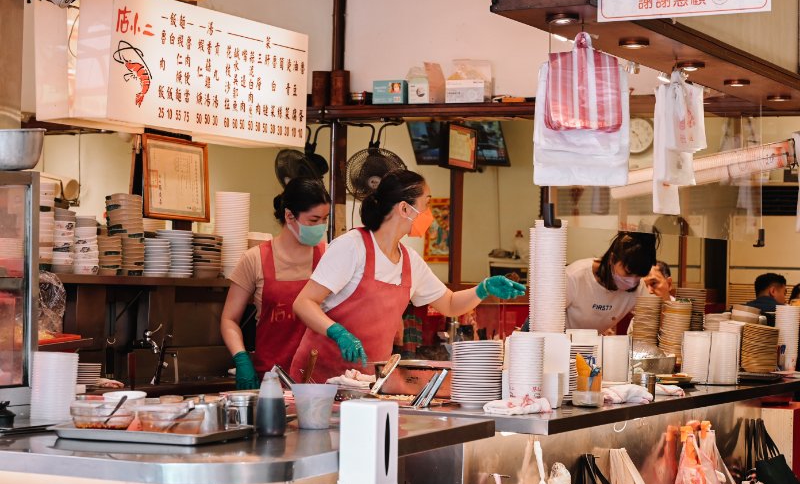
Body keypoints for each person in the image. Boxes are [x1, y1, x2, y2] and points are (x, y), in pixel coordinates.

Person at [290, 169, 525, 383]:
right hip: (317, 379)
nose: (430, 214)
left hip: (365, 382)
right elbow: (304, 302)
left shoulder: (410, 261)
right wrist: (337, 332)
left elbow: (450, 304)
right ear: (404, 208)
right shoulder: (351, 247)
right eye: (427, 204)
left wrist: (483, 289)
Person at [221, 178, 331, 389]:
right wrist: (241, 358)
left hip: (318, 381)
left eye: (325, 219)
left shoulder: (329, 257)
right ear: (290, 216)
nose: (321, 227)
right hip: (271, 379)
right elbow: (229, 319)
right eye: (313, 220)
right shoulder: (254, 259)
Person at [564, 231, 658, 333]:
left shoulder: (639, 287)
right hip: (562, 342)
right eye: (628, 273)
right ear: (612, 259)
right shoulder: (574, 276)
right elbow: (547, 321)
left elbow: (651, 317)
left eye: (639, 276)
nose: (632, 281)